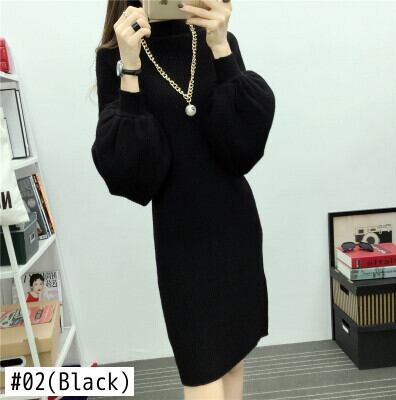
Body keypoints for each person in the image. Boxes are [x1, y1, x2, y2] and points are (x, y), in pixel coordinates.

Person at [91, 0, 276, 399]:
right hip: (181, 241)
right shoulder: (116, 56)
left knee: (233, 361)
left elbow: (242, 147)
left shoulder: (216, 39)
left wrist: (221, 46)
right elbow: (129, 171)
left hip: (235, 227)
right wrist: (130, 68)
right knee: (202, 373)